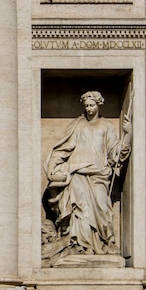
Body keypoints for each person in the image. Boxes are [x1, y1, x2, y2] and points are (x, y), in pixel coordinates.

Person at [43, 91, 132, 262]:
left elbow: (116, 152)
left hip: (99, 174)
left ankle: (105, 242)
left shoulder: (106, 126)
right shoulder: (77, 125)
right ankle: (80, 246)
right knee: (80, 210)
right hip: (78, 173)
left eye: (92, 105)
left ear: (99, 105)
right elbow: (65, 147)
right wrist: (54, 165)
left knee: (102, 207)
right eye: (87, 106)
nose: (89, 109)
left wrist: (128, 134)